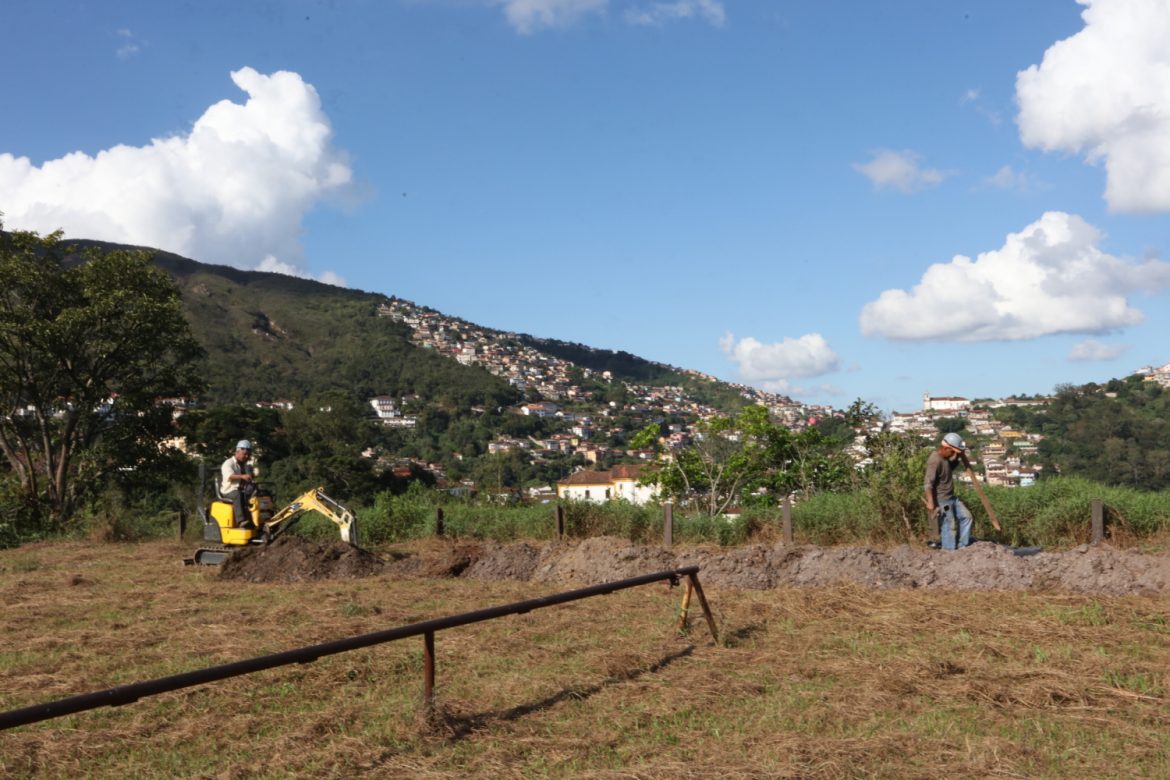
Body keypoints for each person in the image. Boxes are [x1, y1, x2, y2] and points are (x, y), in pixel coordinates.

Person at [924, 432, 974, 550]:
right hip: (943, 501)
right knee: (949, 524)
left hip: (951, 497)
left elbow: (948, 468)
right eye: (952, 451)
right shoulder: (935, 460)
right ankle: (949, 551)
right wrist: (931, 502)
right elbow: (927, 483)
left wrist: (957, 456)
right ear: (946, 448)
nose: (952, 454)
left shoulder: (945, 458)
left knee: (967, 517)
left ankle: (962, 546)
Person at [220, 439, 256, 529]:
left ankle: (257, 519)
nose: (246, 456)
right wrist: (243, 476)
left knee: (257, 493)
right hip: (229, 491)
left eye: (248, 454)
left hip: (241, 489)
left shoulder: (244, 465)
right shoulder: (228, 463)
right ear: (238, 451)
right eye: (245, 454)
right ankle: (241, 521)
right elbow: (230, 476)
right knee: (238, 494)